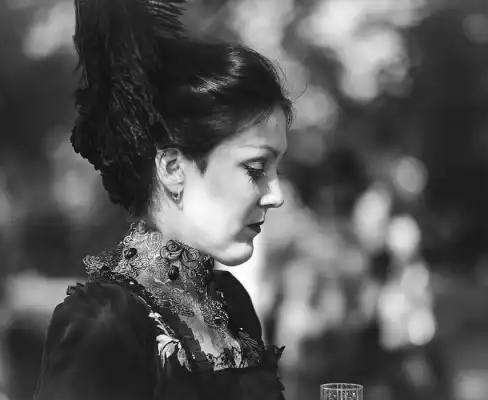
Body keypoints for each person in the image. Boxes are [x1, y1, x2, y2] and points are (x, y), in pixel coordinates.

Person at [33, 0, 293, 399]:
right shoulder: (105, 321)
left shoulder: (231, 303)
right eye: (255, 169)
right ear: (173, 168)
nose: (276, 196)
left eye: (276, 171)